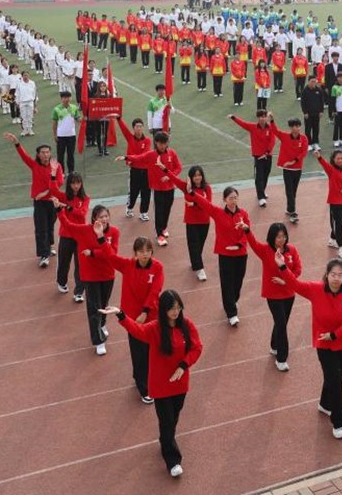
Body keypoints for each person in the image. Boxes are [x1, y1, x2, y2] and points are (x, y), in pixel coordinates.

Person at [101, 290, 203, 477]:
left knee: (173, 418)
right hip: (161, 386)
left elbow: (197, 347)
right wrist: (121, 314)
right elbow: (136, 330)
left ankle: (165, 439)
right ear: (163, 310)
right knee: (167, 421)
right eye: (172, 309)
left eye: (178, 308)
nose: (176, 312)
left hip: (180, 383)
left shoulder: (187, 325)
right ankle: (173, 461)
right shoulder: (155, 328)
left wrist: (183, 365)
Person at [270, 258, 342, 439]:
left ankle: (325, 404)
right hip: (324, 344)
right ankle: (339, 422)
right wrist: (282, 266)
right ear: (327, 275)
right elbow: (295, 284)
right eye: (333, 274)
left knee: (335, 378)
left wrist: (334, 335)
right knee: (336, 382)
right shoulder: (315, 289)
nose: (336, 278)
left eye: (340, 275)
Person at [95, 236, 165, 400]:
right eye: (141, 251)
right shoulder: (127, 265)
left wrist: (145, 312)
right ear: (135, 253)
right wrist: (100, 238)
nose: (145, 254)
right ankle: (144, 388)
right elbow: (110, 257)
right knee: (138, 351)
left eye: (148, 251)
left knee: (151, 350)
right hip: (132, 317)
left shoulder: (157, 267)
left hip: (150, 316)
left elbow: (155, 291)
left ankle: (145, 377)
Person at [173, 180, 251, 326]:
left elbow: (247, 232)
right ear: (224, 200)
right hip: (225, 255)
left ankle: (233, 301)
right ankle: (231, 313)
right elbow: (204, 203)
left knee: (238, 282)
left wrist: (239, 244)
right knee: (227, 283)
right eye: (230, 198)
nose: (233, 201)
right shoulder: (218, 212)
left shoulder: (243, 214)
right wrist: (191, 192)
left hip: (241, 253)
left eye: (235, 198)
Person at [57, 204, 120, 353]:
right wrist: (59, 210)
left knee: (104, 304)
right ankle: (98, 341)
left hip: (107, 274)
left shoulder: (114, 232)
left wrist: (93, 253)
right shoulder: (84, 230)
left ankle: (102, 324)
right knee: (94, 308)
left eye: (106, 216)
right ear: (94, 218)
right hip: (90, 276)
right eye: (101, 216)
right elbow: (67, 225)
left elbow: (112, 253)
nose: (104, 219)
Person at [244, 222, 302, 371]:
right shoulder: (265, 250)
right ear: (272, 238)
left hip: (289, 293)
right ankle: (281, 359)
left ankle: (274, 345)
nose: (282, 239)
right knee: (281, 324)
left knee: (281, 322)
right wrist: (247, 230)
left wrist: (286, 281)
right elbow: (253, 243)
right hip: (273, 295)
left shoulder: (291, 250)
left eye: (284, 236)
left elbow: (298, 269)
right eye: (278, 237)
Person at [4, 132, 64, 267]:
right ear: (38, 154)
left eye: (47, 152)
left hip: (53, 201)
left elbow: (59, 181)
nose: (46, 155)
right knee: (41, 228)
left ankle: (49, 246)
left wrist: (46, 192)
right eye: (43, 152)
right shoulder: (34, 165)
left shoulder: (56, 166)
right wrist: (16, 142)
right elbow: (24, 156)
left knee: (50, 225)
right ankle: (44, 255)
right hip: (39, 202)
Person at [120, 131, 182, 247]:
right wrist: (126, 157)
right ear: (156, 143)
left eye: (165, 143)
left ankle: (163, 227)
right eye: (160, 143)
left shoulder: (172, 153)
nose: (162, 146)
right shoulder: (151, 155)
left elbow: (179, 167)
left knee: (167, 209)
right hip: (158, 189)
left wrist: (169, 176)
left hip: (170, 187)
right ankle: (159, 235)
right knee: (159, 211)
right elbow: (139, 158)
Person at [51, 173, 89, 301]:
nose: (76, 186)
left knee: (81, 264)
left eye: (78, 183)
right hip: (66, 235)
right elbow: (53, 190)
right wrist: (53, 176)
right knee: (63, 261)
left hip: (80, 236)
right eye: (73, 183)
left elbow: (82, 213)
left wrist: (67, 207)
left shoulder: (85, 198)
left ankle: (79, 292)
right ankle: (61, 282)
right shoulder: (63, 196)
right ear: (69, 184)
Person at [230, 109, 277, 207]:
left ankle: (262, 191)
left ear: (266, 117)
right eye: (260, 117)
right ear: (258, 118)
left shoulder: (270, 128)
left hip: (268, 155)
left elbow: (272, 140)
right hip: (258, 156)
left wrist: (267, 152)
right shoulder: (253, 127)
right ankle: (261, 197)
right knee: (259, 176)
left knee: (266, 174)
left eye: (264, 116)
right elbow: (243, 123)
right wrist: (234, 118)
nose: (262, 118)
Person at [316, 148, 342, 260]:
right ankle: (341, 248)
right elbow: (323, 163)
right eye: (338, 158)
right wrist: (319, 156)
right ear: (333, 160)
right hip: (335, 201)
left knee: (341, 223)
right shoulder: (331, 169)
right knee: (338, 224)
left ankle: (332, 239)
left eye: (341, 158)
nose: (340, 160)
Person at [273, 117, 308, 223]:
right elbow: (275, 131)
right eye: (294, 126)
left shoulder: (303, 138)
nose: (296, 128)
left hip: (297, 169)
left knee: (293, 191)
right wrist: (272, 120)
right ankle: (293, 213)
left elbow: (304, 152)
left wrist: (294, 161)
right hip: (287, 169)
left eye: (298, 126)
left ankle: (289, 208)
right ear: (290, 128)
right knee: (289, 190)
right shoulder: (284, 136)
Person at [180, 166, 212, 281]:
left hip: (204, 221)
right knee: (193, 244)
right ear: (190, 177)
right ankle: (199, 268)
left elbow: (208, 203)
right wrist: (164, 169)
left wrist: (194, 204)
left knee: (200, 245)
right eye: (194, 176)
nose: (197, 177)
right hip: (191, 221)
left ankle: (195, 261)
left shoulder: (207, 188)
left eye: (199, 175)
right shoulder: (186, 188)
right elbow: (174, 179)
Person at [117, 117, 152, 221]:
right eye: (137, 126)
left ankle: (143, 213)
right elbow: (124, 129)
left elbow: (144, 156)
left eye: (141, 126)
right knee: (133, 191)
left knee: (146, 192)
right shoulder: (130, 138)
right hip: (134, 170)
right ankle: (129, 208)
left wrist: (129, 158)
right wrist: (119, 119)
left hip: (146, 170)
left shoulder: (147, 141)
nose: (139, 128)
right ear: (133, 128)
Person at [51, 90, 81, 174]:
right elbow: (54, 123)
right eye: (64, 97)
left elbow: (77, 117)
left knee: (71, 155)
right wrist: (55, 135)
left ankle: (71, 171)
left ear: (70, 98)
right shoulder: (56, 109)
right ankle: (61, 172)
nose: (66, 99)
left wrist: (81, 120)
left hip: (71, 135)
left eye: (68, 97)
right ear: (61, 99)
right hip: (61, 135)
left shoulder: (74, 107)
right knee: (60, 155)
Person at [301, 75, 325, 150]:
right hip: (308, 114)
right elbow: (303, 103)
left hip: (317, 113)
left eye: (315, 81)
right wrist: (305, 112)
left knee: (316, 128)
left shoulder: (319, 90)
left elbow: (321, 101)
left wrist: (321, 111)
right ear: (308, 81)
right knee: (308, 129)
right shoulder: (305, 91)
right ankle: (309, 144)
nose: (313, 83)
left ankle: (315, 143)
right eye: (312, 81)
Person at [330, 71, 342, 148]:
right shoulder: (334, 87)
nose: (341, 79)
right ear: (337, 78)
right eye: (339, 77)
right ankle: (335, 140)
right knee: (336, 125)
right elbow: (332, 100)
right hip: (338, 110)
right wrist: (334, 110)